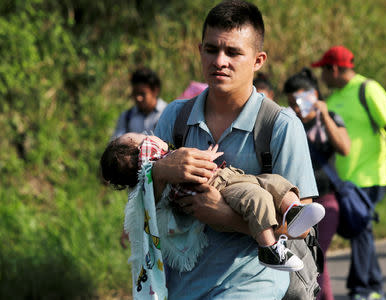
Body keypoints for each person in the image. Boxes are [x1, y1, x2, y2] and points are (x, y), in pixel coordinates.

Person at [150, 1, 320, 299]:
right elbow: (143, 202)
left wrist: (226, 217)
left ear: (258, 60)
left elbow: (301, 227)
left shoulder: (279, 125)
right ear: (199, 50)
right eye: (212, 49)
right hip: (179, 285)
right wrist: (163, 171)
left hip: (253, 284)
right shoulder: (175, 118)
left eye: (233, 52)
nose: (220, 60)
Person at [100, 132, 325, 272]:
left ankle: (293, 212)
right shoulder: (159, 162)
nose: (149, 135)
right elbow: (163, 157)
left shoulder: (165, 163)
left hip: (231, 176)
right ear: (142, 152)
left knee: (273, 182)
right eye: (141, 136)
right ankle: (269, 248)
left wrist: (204, 157)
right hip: (222, 187)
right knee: (258, 198)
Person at [311, 45, 386, 300]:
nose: (322, 76)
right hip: (343, 181)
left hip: (371, 177)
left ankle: (364, 289)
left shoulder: (368, 89)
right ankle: (371, 287)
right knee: (360, 230)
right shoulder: (331, 99)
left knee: (362, 229)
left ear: (334, 69)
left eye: (324, 70)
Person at [283, 67, 351, 300]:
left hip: (325, 200)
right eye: (291, 103)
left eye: (300, 100)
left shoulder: (329, 119)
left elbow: (344, 148)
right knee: (308, 256)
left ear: (313, 96)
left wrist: (324, 114)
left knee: (316, 254)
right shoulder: (289, 124)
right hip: (298, 204)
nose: (297, 108)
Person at [113, 67, 167, 138]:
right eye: (135, 93)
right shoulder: (126, 117)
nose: (138, 98)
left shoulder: (167, 114)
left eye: (142, 94)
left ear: (155, 91)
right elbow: (116, 143)